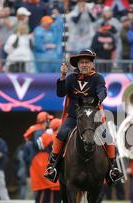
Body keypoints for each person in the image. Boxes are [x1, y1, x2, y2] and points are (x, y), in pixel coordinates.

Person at [44, 49, 124, 185]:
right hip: (74, 117)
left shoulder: (98, 78)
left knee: (108, 136)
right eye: (82, 62)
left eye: (87, 62)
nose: (84, 65)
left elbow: (102, 90)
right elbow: (60, 93)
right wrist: (63, 76)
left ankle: (113, 168)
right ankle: (52, 167)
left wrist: (98, 99)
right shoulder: (71, 78)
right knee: (61, 133)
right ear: (78, 65)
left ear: (92, 64)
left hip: (93, 118)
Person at [24, 112, 57, 203]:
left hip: (39, 159)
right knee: (45, 184)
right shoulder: (39, 131)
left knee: (44, 184)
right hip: (39, 159)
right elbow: (40, 145)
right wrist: (48, 135)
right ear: (45, 120)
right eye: (48, 120)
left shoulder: (38, 130)